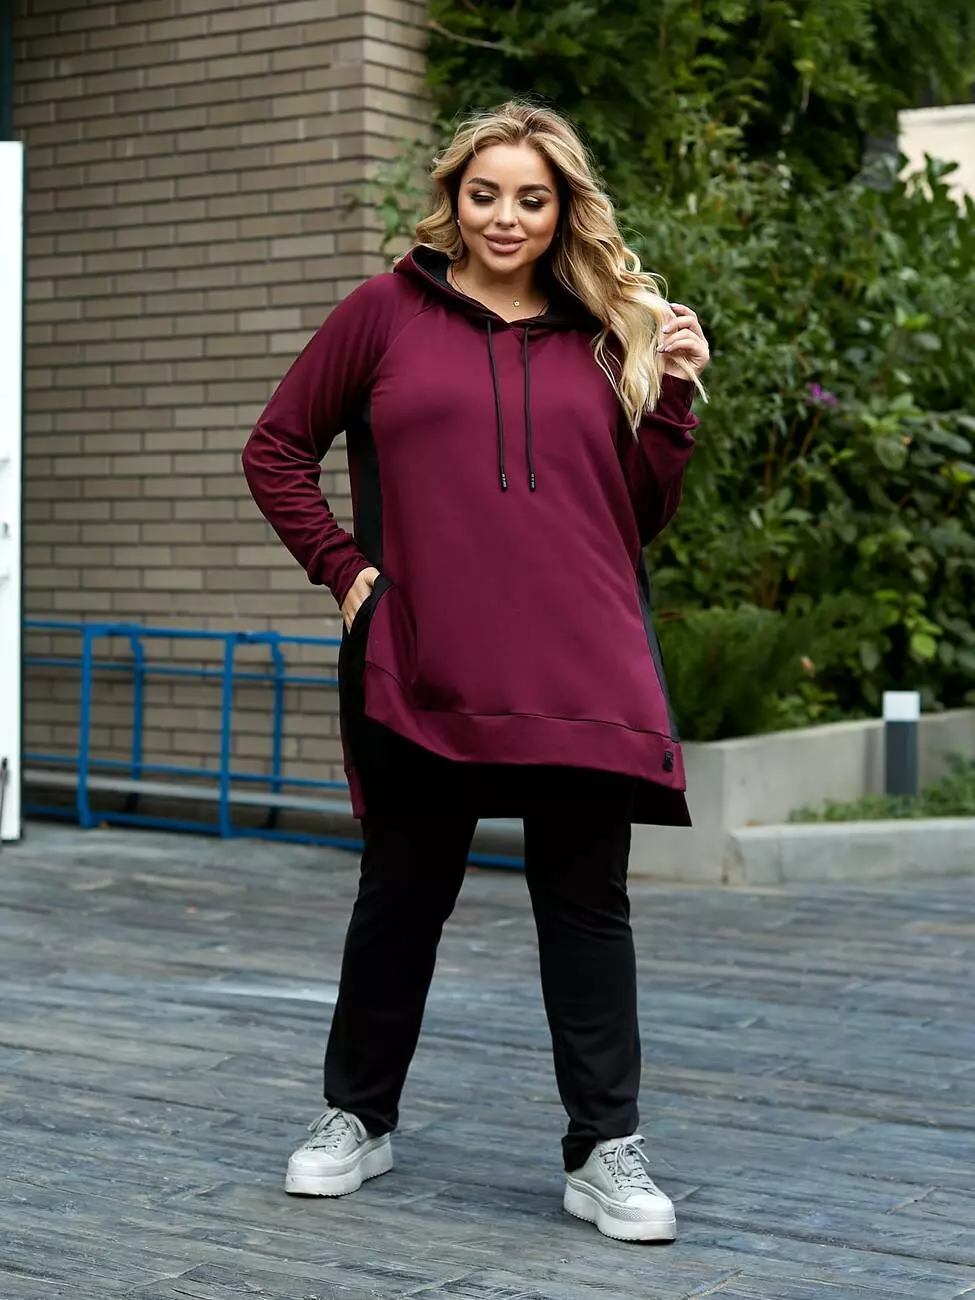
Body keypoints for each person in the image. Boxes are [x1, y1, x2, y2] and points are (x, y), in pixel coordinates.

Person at [242, 100, 710, 1244]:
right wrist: (347, 572)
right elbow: (276, 448)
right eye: (486, 193)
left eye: (532, 198)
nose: (507, 217)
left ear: (562, 211)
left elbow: (635, 514)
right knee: (401, 894)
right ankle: (358, 1116)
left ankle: (604, 1150)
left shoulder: (609, 329)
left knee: (587, 907)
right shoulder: (383, 311)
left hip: (584, 662)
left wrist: (673, 398)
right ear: (453, 197)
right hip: (421, 658)